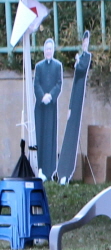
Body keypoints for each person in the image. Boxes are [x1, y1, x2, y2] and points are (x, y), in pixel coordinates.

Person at [34, 37, 63, 181]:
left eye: (50, 49)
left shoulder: (58, 66)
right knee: (39, 135)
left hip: (51, 106)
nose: (48, 51)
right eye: (46, 49)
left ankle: (50, 170)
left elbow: (59, 83)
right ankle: (39, 168)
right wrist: (42, 96)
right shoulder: (39, 66)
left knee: (50, 137)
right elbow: (36, 83)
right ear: (44, 51)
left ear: (53, 50)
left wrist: (50, 96)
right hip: (40, 106)